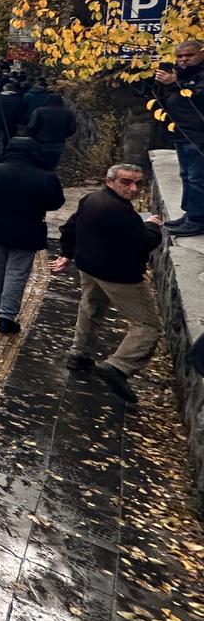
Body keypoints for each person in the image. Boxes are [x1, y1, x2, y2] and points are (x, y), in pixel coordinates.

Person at [53, 164, 164, 403]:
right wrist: (153, 226)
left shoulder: (91, 199)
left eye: (138, 183)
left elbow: (70, 227)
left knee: (91, 307)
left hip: (89, 266)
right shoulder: (118, 211)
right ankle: (119, 366)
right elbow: (144, 242)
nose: (133, 188)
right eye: (126, 182)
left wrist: (67, 253)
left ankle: (79, 354)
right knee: (147, 324)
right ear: (109, 181)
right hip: (119, 274)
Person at [0, 138, 65, 333]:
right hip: (28, 229)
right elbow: (55, 202)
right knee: (17, 272)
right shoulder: (46, 177)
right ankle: (7, 315)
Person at [154, 38, 204, 236]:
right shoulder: (180, 75)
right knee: (186, 176)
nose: (183, 60)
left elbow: (198, 97)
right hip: (182, 133)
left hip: (198, 135)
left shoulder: (198, 76)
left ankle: (197, 219)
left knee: (197, 178)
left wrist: (174, 84)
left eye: (189, 55)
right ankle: (190, 213)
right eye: (180, 56)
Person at [25, 93, 77, 171]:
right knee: (52, 164)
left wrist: (33, 135)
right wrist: (64, 135)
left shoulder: (39, 111)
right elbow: (72, 128)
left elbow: (31, 126)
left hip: (40, 141)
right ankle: (49, 176)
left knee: (39, 163)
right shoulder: (68, 112)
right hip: (58, 142)